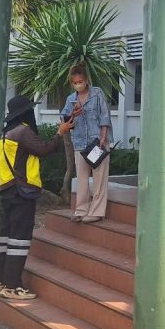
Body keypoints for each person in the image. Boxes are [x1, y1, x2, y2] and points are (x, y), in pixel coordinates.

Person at [0, 95, 74, 299]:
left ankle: (0, 282)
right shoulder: (22, 132)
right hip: (21, 192)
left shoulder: (6, 132)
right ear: (25, 113)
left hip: (7, 190)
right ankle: (12, 287)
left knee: (6, 237)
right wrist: (60, 133)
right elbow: (44, 149)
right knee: (19, 240)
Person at [60, 63, 113, 223]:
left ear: (86, 80)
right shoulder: (70, 99)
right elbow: (65, 121)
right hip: (80, 143)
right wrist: (73, 114)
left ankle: (97, 211)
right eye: (75, 82)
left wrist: (103, 137)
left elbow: (105, 115)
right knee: (82, 178)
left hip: (98, 142)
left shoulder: (97, 93)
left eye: (80, 81)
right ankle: (81, 209)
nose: (78, 84)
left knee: (99, 178)